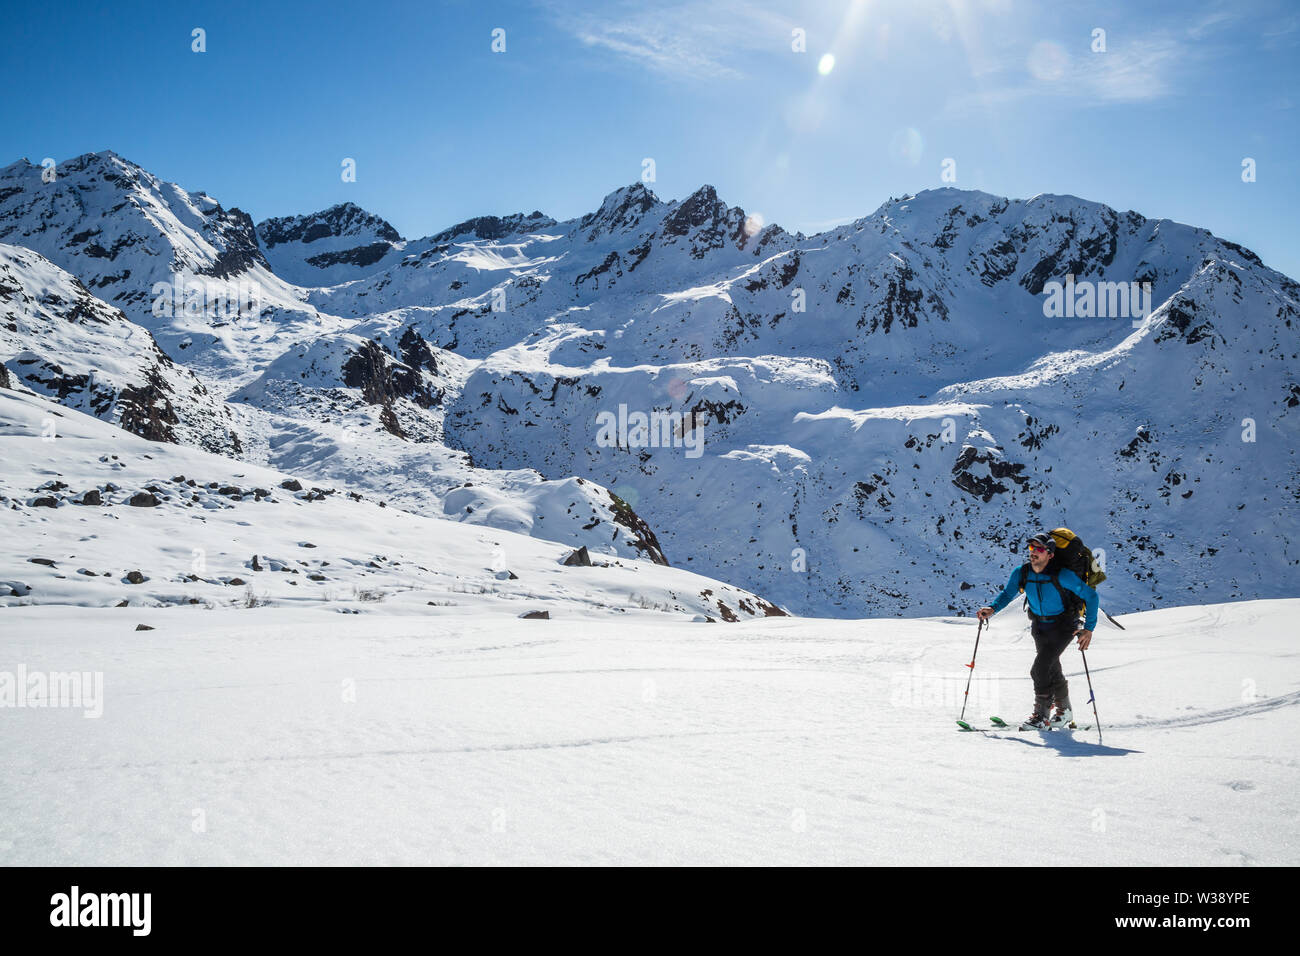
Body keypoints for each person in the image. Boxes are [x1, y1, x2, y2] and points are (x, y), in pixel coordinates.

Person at [977, 531, 1098, 729]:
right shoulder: (1022, 572)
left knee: (1039, 669)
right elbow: (1008, 593)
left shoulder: (1062, 575)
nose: (1033, 552)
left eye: (1039, 549)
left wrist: (1089, 629)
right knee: (1051, 667)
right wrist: (992, 608)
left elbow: (1091, 597)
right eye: (1032, 548)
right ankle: (1064, 712)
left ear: (1050, 554)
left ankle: (1041, 716)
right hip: (1039, 627)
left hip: (1064, 626)